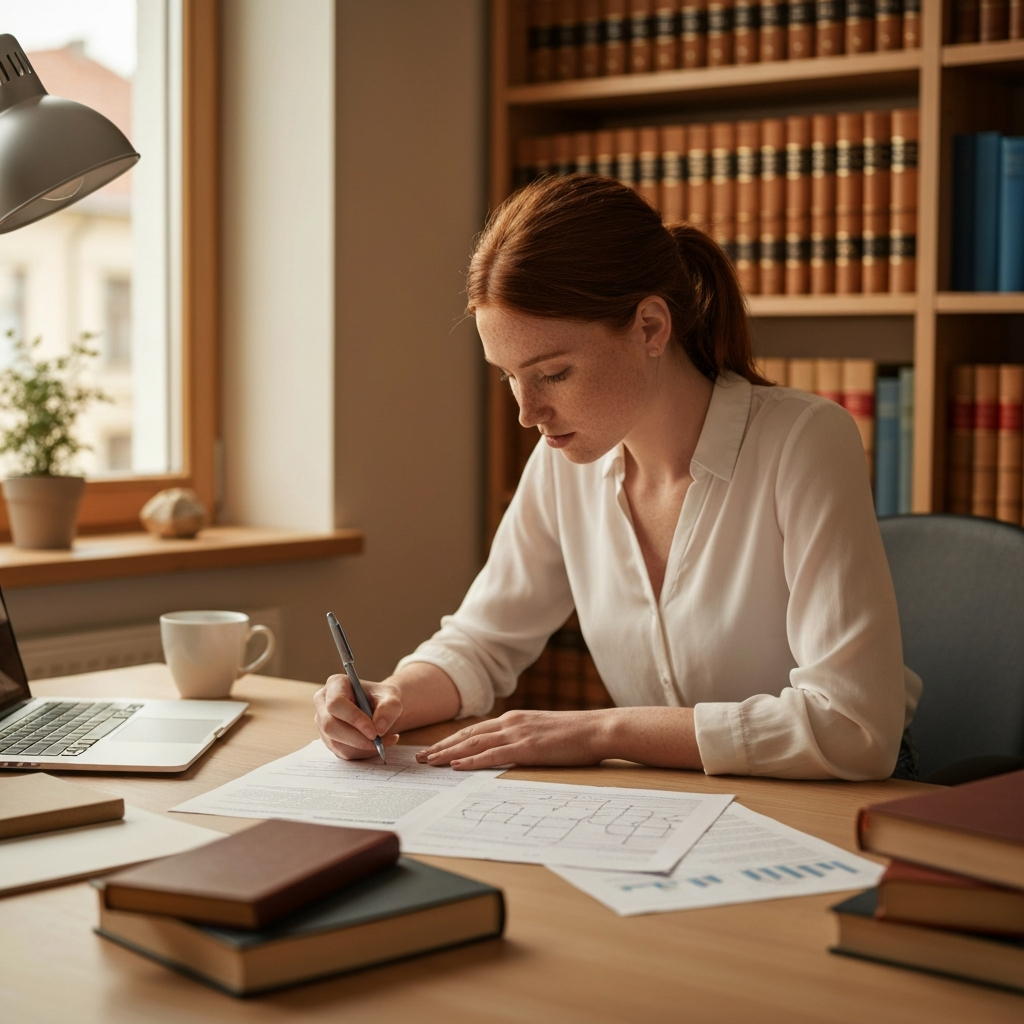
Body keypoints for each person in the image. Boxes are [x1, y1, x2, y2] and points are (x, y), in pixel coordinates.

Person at [314, 174, 922, 780]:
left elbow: (852, 727)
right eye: (508, 377)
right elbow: (483, 641)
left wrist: (601, 729)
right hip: (676, 806)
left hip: (828, 803)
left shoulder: (805, 441)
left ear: (651, 327)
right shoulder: (563, 463)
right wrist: (391, 695)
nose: (527, 414)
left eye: (552, 374)